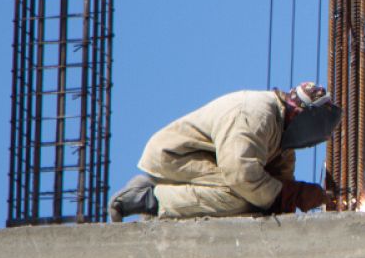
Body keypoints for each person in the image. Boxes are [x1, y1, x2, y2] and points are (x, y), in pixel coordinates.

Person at [108, 82, 343, 222]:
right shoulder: (255, 114)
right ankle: (150, 197)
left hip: (206, 160)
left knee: (259, 199)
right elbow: (240, 175)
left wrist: (296, 197)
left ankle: (165, 197)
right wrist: (291, 195)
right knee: (240, 196)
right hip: (176, 157)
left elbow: (280, 188)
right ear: (302, 117)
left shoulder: (282, 140)